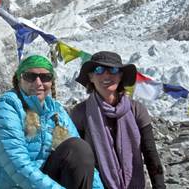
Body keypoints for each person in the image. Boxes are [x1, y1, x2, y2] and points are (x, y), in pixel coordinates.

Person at [0, 55, 104, 189]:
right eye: (30, 76)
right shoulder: (7, 108)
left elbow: (86, 165)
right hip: (8, 184)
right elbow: (17, 165)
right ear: (19, 79)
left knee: (77, 149)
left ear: (51, 82)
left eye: (45, 77)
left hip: (41, 183)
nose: (38, 83)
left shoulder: (55, 110)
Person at [70, 51, 165, 189]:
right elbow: (76, 160)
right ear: (90, 77)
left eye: (113, 70)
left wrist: (160, 186)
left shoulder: (136, 110)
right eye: (99, 70)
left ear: (120, 76)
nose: (106, 75)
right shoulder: (80, 113)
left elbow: (150, 154)